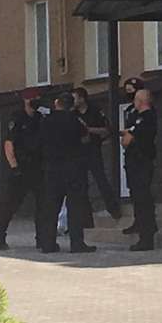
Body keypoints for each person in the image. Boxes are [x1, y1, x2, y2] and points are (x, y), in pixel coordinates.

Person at [41, 92, 96, 253]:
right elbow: (85, 138)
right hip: (73, 168)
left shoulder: (47, 121)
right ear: (71, 106)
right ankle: (77, 244)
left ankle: (48, 243)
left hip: (52, 168)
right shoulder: (75, 120)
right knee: (75, 207)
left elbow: (40, 141)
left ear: (56, 103)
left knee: (51, 207)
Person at [0, 88, 43, 251]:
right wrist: (14, 166)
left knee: (42, 204)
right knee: (10, 205)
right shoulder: (17, 117)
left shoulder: (40, 118)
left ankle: (41, 238)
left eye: (38, 98)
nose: (36, 101)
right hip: (20, 167)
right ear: (26, 100)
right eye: (33, 98)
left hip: (37, 167)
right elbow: (9, 144)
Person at [72, 87, 121, 219]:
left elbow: (106, 130)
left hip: (93, 149)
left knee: (101, 179)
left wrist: (88, 129)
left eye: (74, 98)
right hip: (78, 151)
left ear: (82, 98)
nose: (73, 101)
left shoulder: (95, 111)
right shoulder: (73, 113)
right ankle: (85, 215)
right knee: (81, 183)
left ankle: (113, 208)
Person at [121, 88, 158, 252]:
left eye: (136, 99)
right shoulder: (137, 117)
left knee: (143, 199)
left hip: (141, 163)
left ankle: (146, 237)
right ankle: (143, 228)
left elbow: (127, 140)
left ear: (142, 101)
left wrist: (128, 135)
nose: (134, 101)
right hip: (135, 163)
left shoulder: (146, 117)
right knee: (138, 197)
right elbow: (126, 137)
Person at [120, 77, 144, 235]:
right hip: (130, 154)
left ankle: (144, 223)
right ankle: (137, 220)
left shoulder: (145, 111)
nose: (129, 94)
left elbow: (137, 131)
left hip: (141, 155)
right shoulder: (129, 110)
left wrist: (129, 134)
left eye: (132, 91)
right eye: (127, 91)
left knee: (142, 192)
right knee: (134, 190)